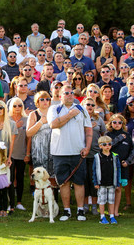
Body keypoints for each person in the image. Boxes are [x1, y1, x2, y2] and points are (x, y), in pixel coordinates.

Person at [47, 85, 92, 221]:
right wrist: (70, 115)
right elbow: (53, 124)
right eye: (66, 93)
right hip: (59, 152)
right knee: (63, 183)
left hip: (78, 152)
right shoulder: (54, 108)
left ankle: (80, 210)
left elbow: (89, 130)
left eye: (71, 93)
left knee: (79, 182)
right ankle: (66, 211)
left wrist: (87, 147)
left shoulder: (82, 109)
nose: (69, 95)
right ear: (60, 95)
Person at [106, 114, 134, 216]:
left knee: (118, 188)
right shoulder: (108, 135)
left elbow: (133, 150)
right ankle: (110, 211)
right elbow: (107, 147)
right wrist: (118, 138)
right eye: (114, 122)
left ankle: (115, 211)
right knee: (111, 188)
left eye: (120, 122)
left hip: (122, 166)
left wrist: (128, 161)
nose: (117, 124)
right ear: (111, 123)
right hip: (110, 165)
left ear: (123, 124)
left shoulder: (127, 135)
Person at [81, 97, 106, 216]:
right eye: (88, 105)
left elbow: (104, 135)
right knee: (84, 181)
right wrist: (88, 126)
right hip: (82, 154)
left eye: (92, 105)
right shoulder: (79, 119)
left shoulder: (99, 120)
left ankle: (95, 206)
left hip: (96, 154)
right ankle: (85, 206)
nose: (90, 107)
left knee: (94, 181)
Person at [92, 136, 121, 225]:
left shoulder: (115, 156)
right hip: (101, 183)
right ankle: (102, 217)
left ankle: (111, 216)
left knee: (111, 200)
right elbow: (94, 170)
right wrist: (95, 182)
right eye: (104, 144)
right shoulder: (97, 157)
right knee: (102, 201)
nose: (107, 146)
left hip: (112, 183)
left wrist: (118, 182)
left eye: (109, 144)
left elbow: (118, 169)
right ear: (100, 146)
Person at [8, 97, 29, 211]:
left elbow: (28, 138)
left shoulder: (26, 119)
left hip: (21, 152)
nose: (17, 108)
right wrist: (15, 126)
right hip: (10, 154)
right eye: (15, 105)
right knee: (10, 179)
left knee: (20, 177)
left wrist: (27, 153)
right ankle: (10, 203)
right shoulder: (8, 119)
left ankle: (19, 202)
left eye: (19, 105)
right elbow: (5, 136)